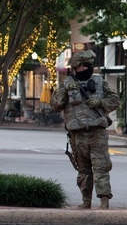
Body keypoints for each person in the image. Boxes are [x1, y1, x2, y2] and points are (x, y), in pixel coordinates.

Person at [50, 50, 119, 209]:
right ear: (74, 67)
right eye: (80, 66)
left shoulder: (100, 82)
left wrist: (100, 102)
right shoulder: (67, 84)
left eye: (87, 65)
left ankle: (104, 201)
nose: (84, 68)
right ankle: (86, 201)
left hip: (97, 132)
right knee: (83, 170)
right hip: (77, 134)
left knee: (101, 167)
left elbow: (115, 101)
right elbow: (55, 104)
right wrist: (65, 91)